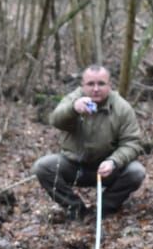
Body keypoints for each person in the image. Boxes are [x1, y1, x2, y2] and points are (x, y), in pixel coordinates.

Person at [34, 64, 146, 217]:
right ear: (83, 85)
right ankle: (76, 209)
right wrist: (73, 109)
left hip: (107, 168)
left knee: (136, 172)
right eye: (90, 84)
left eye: (101, 84)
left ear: (109, 85)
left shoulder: (121, 107)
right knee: (43, 167)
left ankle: (105, 207)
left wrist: (114, 161)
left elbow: (132, 143)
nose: (96, 89)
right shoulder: (73, 99)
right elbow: (55, 120)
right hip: (74, 166)